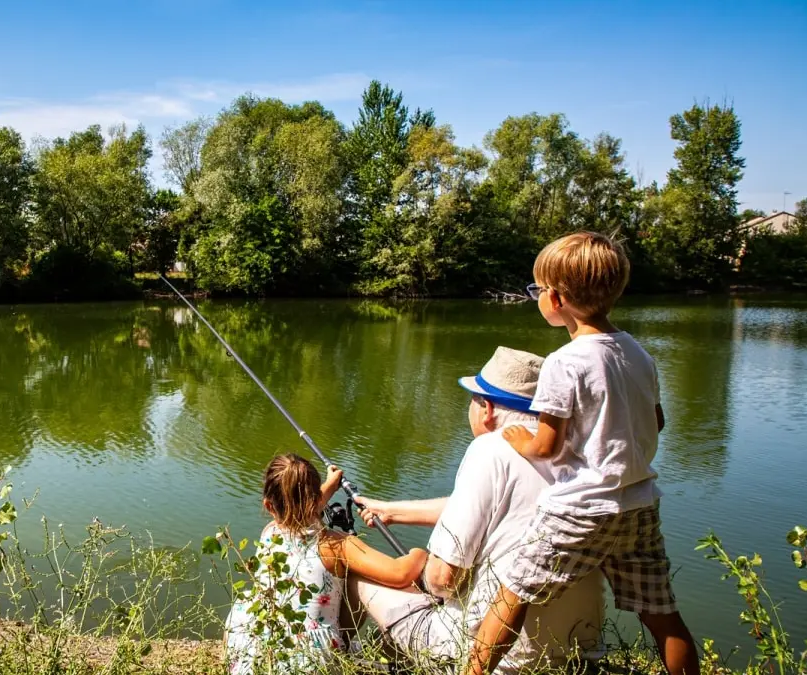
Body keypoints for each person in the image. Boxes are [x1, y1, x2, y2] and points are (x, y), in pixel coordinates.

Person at [466, 232, 698, 675]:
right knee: (662, 616)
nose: (536, 298)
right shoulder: (639, 353)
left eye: (537, 290)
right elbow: (658, 422)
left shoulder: (564, 362)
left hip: (579, 509)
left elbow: (547, 446)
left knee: (511, 598)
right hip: (638, 505)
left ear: (556, 299)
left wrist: (519, 440)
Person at [353, 346, 605, 674]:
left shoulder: (489, 449)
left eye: (473, 399)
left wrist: (419, 571)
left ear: (486, 408)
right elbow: (498, 509)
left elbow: (444, 579)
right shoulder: (581, 457)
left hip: (498, 658)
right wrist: (390, 511)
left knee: (359, 576)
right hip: (578, 655)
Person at [224, 453, 429, 674]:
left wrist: (330, 485)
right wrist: (420, 553)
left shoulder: (269, 533)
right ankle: (348, 646)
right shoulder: (337, 546)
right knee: (358, 575)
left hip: (255, 653)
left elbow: (299, 511)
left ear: (269, 506)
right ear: (315, 501)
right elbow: (400, 573)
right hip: (308, 662)